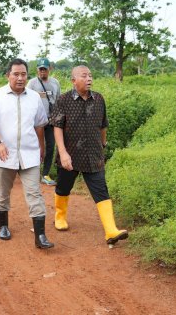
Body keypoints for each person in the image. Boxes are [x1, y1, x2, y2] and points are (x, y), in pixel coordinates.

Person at [51, 65, 128, 246]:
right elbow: (57, 127)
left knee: (101, 190)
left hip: (93, 154)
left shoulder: (99, 99)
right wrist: (62, 153)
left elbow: (103, 124)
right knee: (63, 187)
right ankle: (60, 216)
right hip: (70, 154)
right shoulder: (64, 100)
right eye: (84, 76)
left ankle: (110, 231)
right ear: (73, 80)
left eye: (90, 75)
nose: (89, 79)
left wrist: (103, 144)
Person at [0, 58, 54, 249]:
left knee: (35, 193)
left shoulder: (34, 97)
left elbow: (39, 125)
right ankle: (3, 225)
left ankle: (40, 236)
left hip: (30, 154)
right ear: (8, 75)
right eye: (16, 74)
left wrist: (42, 147)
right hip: (4, 154)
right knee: (4, 192)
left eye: (23, 74)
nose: (20, 78)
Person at [27, 58, 61, 186]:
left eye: (45, 69)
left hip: (50, 121)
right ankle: (31, 172)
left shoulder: (55, 83)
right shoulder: (32, 84)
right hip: (35, 123)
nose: (42, 72)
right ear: (37, 70)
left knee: (50, 147)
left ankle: (45, 174)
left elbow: (58, 101)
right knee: (34, 146)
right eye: (40, 69)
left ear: (49, 69)